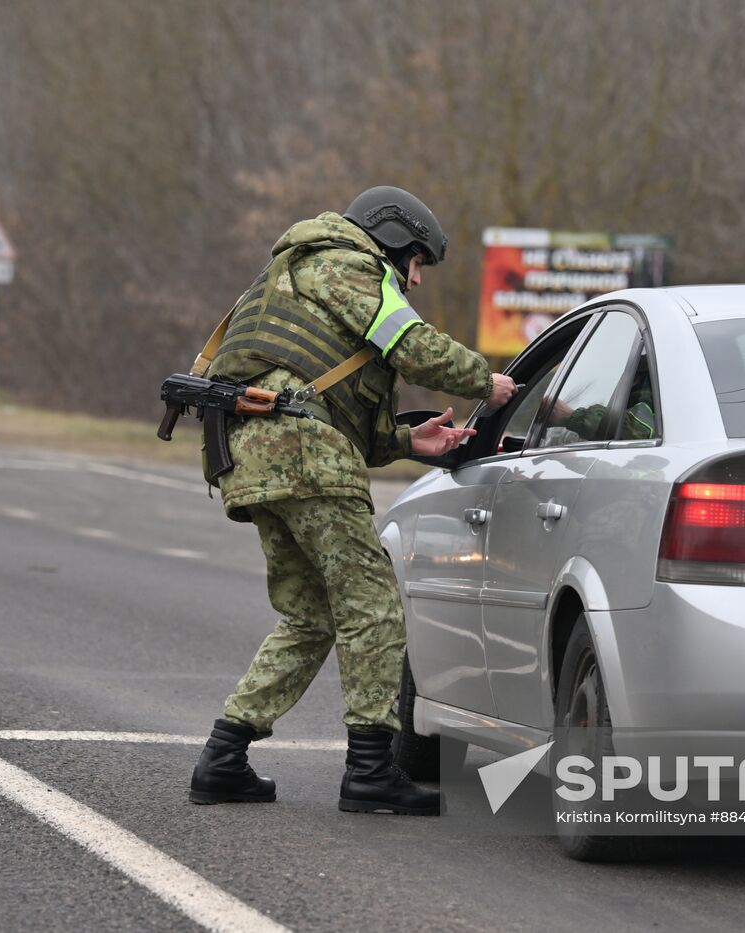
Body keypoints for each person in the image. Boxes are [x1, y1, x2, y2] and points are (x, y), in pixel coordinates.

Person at [188, 186, 517, 815]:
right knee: (374, 604)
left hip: (254, 458)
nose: (416, 280)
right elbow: (414, 347)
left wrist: (405, 441)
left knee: (311, 616)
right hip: (305, 456)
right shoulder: (346, 263)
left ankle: (223, 757)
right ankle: (370, 770)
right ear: (391, 238)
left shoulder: (292, 274)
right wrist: (487, 382)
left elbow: (323, 402)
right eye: (416, 262)